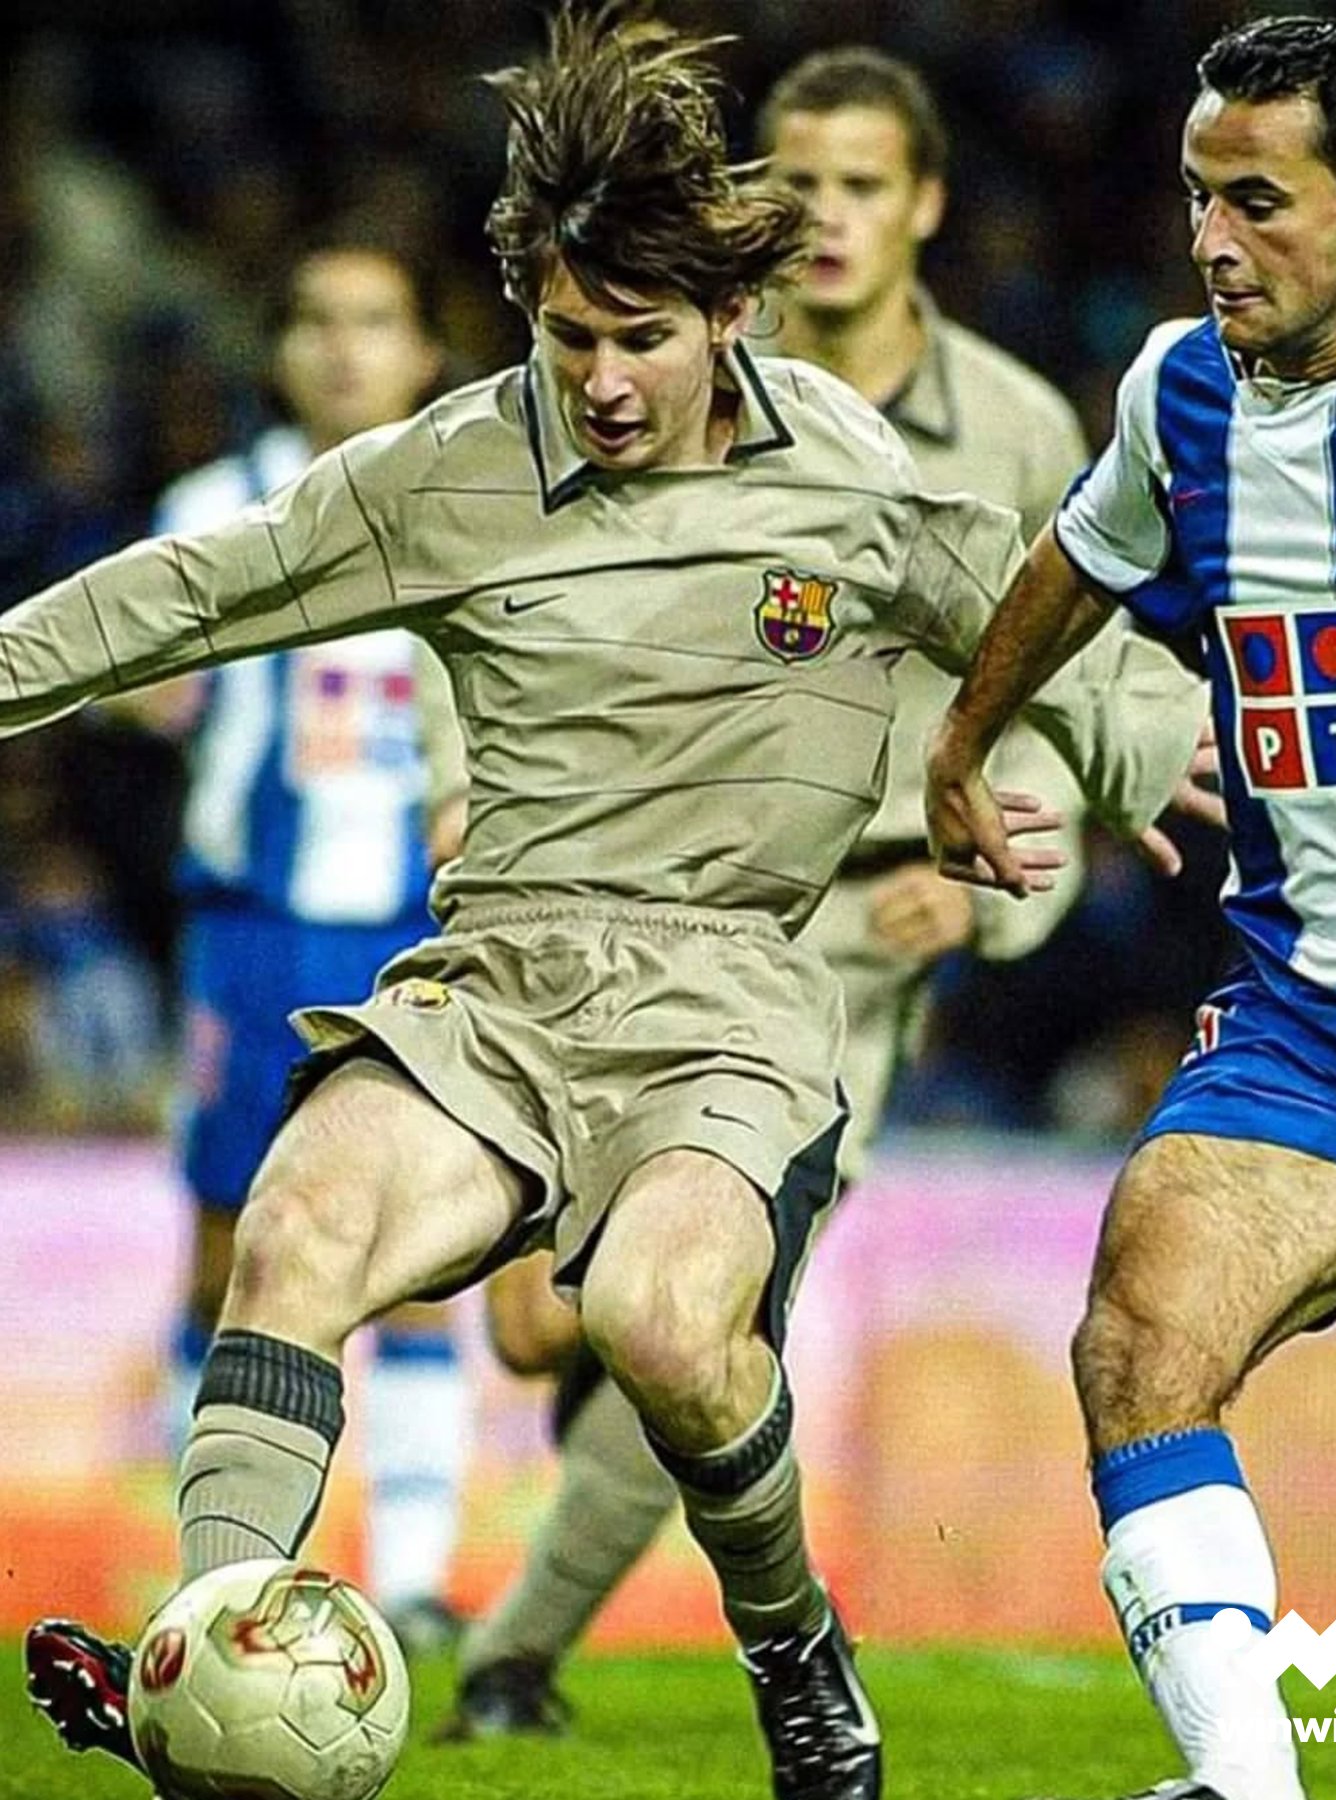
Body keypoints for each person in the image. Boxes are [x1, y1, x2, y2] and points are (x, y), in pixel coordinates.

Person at [17, 8, 1205, 1797]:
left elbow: (1015, 605)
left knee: (661, 1321)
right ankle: (209, 1660)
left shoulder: (843, 471)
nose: (603, 379)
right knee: (297, 1224)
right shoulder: (452, 470)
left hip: (729, 998)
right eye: (569, 336)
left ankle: (796, 1652)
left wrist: (1160, 744)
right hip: (496, 981)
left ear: (732, 315)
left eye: (642, 337)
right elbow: (194, 590)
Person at [440, 45, 1097, 1740]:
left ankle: (510, 1657)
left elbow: (1064, 676)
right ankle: (579, 1402)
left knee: (695, 1313)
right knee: (549, 1329)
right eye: (796, 184)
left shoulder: (1017, 428)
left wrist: (995, 898)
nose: (827, 217)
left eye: (863, 185)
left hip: (850, 940)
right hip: (606, 897)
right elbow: (516, 601)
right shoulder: (665, 364)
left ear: (926, 204)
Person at [926, 17, 1336, 1800]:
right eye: (1197, 198)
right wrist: (967, 739)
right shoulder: (1181, 390)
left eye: (1257, 204)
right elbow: (1083, 553)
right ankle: (1247, 1783)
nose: (1213, 241)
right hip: (1325, 1025)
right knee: (1142, 1343)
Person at [132, 238, 469, 1655]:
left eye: (374, 320)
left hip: (417, 935)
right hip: (253, 929)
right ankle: (209, 1574)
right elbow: (129, 669)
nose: (342, 347)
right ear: (277, 348)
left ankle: (415, 1582)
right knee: (226, 1244)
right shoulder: (211, 509)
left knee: (422, 1254)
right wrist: (147, 692)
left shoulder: (474, 506)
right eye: (316, 320)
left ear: (425, 351)